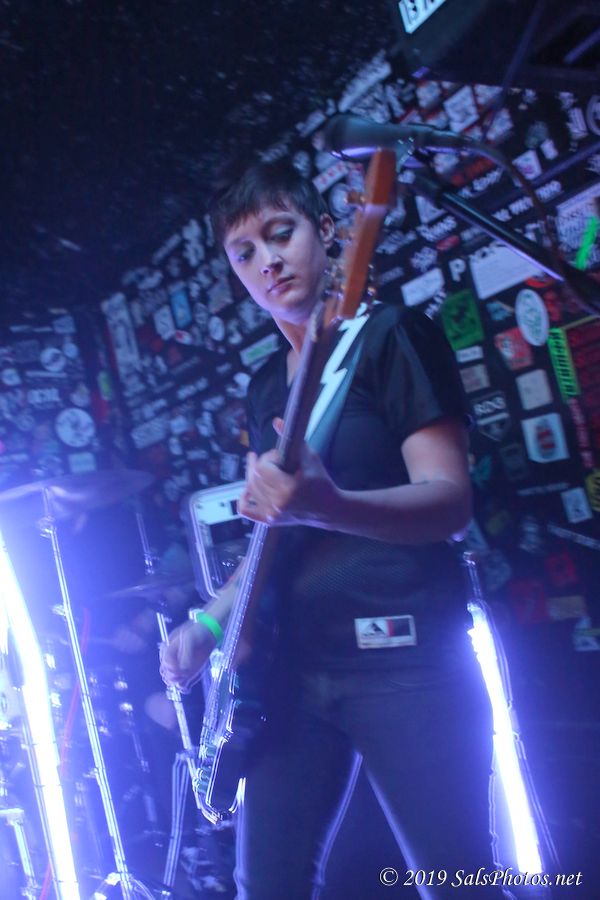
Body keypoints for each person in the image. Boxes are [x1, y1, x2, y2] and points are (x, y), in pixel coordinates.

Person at [160, 159, 505, 899]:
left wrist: (330, 505)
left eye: (280, 234)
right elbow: (272, 535)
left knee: (460, 881)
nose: (267, 261)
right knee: (266, 886)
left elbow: (450, 504)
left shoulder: (391, 337)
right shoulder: (265, 387)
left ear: (326, 231)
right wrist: (210, 624)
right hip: (294, 674)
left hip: (405, 657)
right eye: (244, 253)